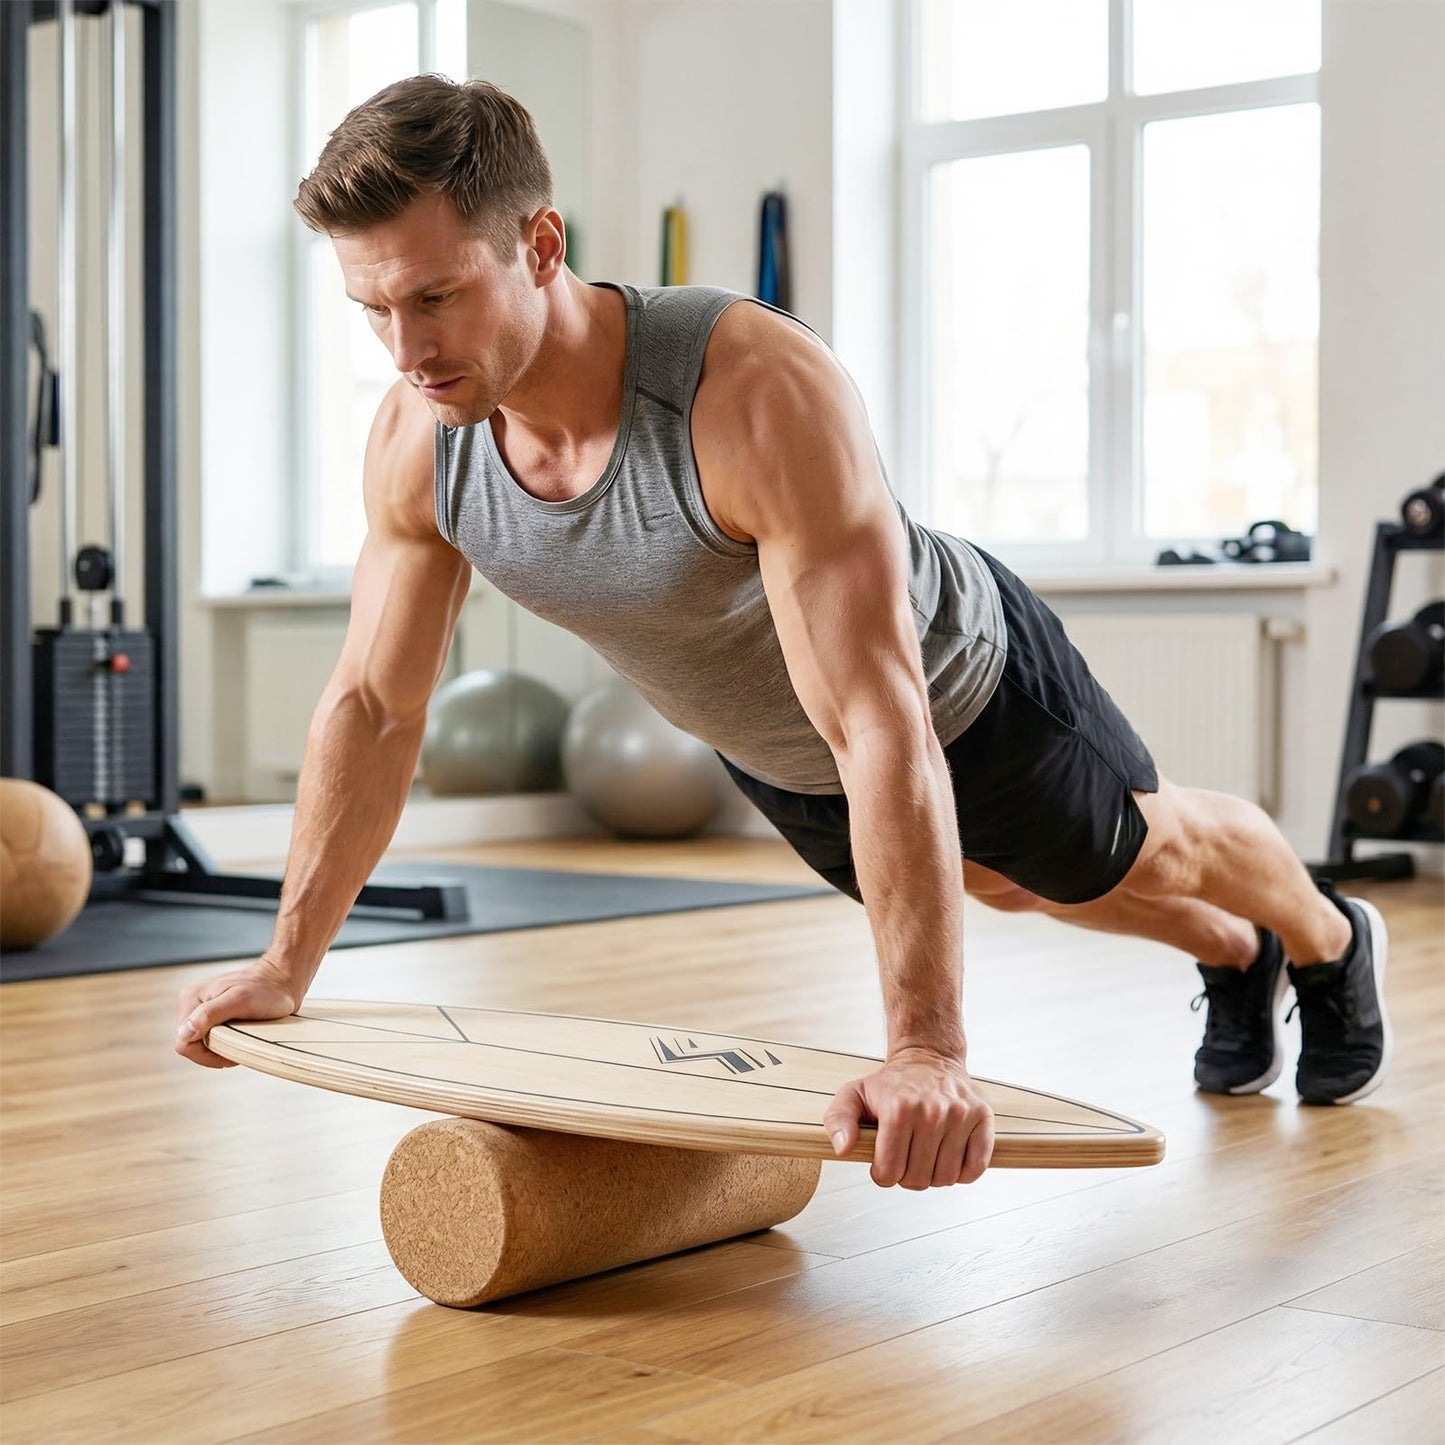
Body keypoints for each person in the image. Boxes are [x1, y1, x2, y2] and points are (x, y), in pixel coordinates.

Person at [175, 77, 1392, 1189]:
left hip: (957, 686)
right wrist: (286, 963)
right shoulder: (418, 438)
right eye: (374, 309)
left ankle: (1326, 935)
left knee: (1137, 853)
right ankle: (1233, 952)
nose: (406, 351)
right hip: (780, 751)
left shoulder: (748, 390)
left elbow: (877, 715)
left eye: (435, 296)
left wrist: (925, 1049)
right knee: (1004, 887)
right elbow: (373, 704)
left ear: (539, 245)